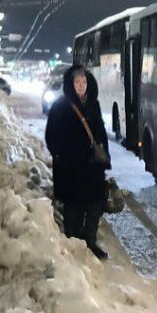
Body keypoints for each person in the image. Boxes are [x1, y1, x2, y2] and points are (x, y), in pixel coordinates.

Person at [45, 64, 110, 260]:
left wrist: (104, 158)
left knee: (95, 202)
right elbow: (51, 137)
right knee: (74, 205)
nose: (81, 85)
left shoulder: (93, 104)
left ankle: (90, 239)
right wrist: (63, 157)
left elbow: (101, 134)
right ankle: (73, 241)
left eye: (84, 81)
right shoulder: (60, 107)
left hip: (92, 167)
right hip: (71, 168)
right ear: (70, 84)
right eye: (77, 82)